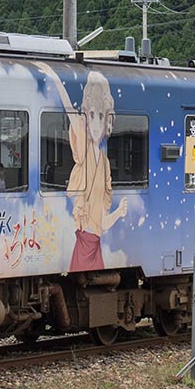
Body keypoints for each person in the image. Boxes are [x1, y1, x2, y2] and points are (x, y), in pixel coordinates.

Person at [65, 71, 129, 272]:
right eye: (91, 115)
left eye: (100, 116)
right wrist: (53, 77)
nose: (94, 124)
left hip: (94, 248)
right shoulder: (83, 152)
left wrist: (119, 212)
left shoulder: (104, 163)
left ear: (107, 121)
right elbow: (69, 111)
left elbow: (101, 221)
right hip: (84, 246)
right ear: (84, 115)